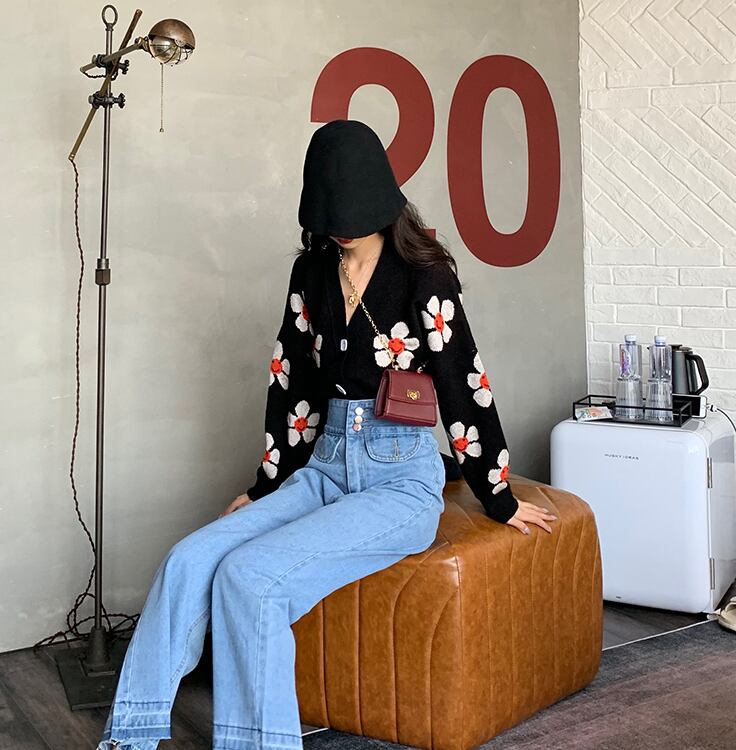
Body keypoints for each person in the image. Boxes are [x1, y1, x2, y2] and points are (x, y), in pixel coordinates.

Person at [97, 119, 556, 750]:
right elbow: (293, 384)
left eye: (349, 214)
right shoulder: (312, 273)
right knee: (188, 561)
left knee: (249, 578)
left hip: (399, 481)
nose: (339, 228)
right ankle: (129, 736)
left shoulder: (423, 273)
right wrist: (265, 487)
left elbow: (462, 382)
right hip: (324, 466)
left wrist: (498, 496)